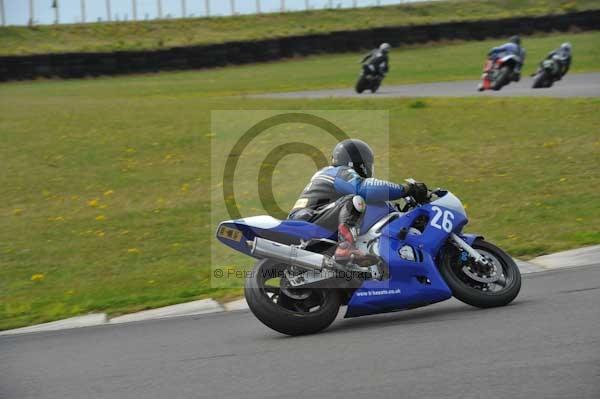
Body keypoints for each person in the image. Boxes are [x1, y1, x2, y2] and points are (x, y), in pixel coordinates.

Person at [288, 139, 428, 266]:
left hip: (315, 220)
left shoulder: (332, 178)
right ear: (359, 163)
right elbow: (364, 188)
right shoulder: (338, 171)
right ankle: (345, 248)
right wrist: (406, 189)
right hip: (308, 218)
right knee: (354, 201)